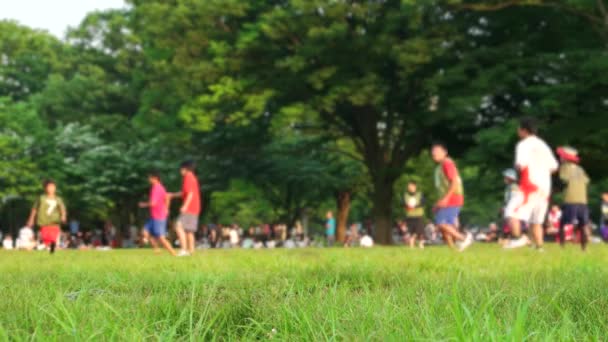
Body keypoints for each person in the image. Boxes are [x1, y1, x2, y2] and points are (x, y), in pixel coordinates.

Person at [504, 118, 559, 251]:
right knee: (536, 220)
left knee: (510, 213)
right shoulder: (543, 145)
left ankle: (518, 238)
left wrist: (517, 170)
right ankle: (539, 247)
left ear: (523, 130)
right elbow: (554, 166)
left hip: (529, 185)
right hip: (545, 187)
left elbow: (520, 164)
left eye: (519, 128)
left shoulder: (523, 145)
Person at [431, 142, 472, 252]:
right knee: (445, 227)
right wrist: (438, 203)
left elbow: (454, 181)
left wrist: (446, 199)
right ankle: (453, 251)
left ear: (445, 152)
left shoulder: (447, 163)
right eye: (433, 151)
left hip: (453, 198)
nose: (434, 153)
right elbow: (442, 188)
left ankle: (463, 238)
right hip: (447, 199)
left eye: (437, 151)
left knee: (441, 223)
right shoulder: (439, 167)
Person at [556, 146, 590, 251]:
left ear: (565, 158)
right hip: (582, 200)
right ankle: (584, 249)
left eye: (561, 157)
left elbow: (563, 180)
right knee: (583, 225)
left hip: (570, 199)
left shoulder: (564, 167)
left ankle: (562, 247)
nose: (560, 158)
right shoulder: (580, 169)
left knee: (562, 224)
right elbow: (587, 181)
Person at [139, 171, 176, 256]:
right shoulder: (159, 187)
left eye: (150, 178)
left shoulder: (157, 188)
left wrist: (143, 204)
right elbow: (167, 197)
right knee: (145, 231)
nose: (148, 179)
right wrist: (167, 208)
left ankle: (173, 253)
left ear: (155, 178)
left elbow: (153, 203)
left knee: (161, 237)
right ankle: (157, 249)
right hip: (154, 216)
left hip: (159, 216)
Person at [169, 161, 202, 256]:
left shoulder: (188, 177)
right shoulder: (193, 178)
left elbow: (190, 194)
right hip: (195, 207)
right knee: (189, 230)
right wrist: (172, 195)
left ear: (185, 169)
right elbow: (184, 193)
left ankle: (183, 250)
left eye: (181, 169)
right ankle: (191, 251)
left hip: (190, 207)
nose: (180, 171)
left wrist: (185, 206)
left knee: (178, 226)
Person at [26, 179, 67, 254]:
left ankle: (50, 252)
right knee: (46, 239)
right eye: (49, 187)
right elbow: (34, 209)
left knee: (53, 238)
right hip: (44, 222)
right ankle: (41, 248)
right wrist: (31, 219)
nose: (51, 189)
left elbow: (62, 209)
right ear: (45, 188)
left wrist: (63, 216)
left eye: (53, 187)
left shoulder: (58, 199)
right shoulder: (41, 198)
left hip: (55, 222)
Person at [404, 181, 426, 249]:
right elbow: (403, 203)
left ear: (415, 187)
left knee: (419, 230)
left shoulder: (420, 194)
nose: (410, 188)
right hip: (409, 216)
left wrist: (415, 206)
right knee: (411, 231)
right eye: (408, 187)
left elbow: (423, 203)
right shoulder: (405, 195)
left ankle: (419, 243)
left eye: (411, 186)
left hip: (418, 215)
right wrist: (407, 206)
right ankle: (412, 245)